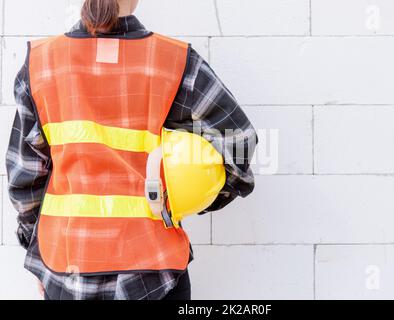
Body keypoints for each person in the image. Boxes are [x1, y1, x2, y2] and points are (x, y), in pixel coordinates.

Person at [5, 0, 257, 300]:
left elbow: (24, 178)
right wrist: (189, 198)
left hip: (65, 270)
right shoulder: (176, 61)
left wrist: (40, 254)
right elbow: (239, 140)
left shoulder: (41, 63)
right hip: (155, 273)